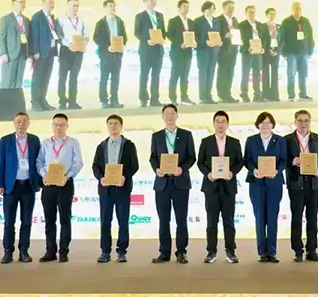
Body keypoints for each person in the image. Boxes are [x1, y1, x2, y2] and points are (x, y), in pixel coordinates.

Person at [149, 104, 196, 264]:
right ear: (163, 116)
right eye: (167, 114)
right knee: (163, 220)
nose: (170, 116)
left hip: (180, 183)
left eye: (172, 113)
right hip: (162, 184)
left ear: (177, 115)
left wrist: (181, 169)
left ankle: (181, 251)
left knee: (181, 219)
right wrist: (156, 169)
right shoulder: (156, 136)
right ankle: (164, 252)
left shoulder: (186, 135)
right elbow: (153, 157)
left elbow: (191, 157)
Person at [36, 113, 84, 263]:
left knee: (65, 219)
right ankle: (50, 251)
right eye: (56, 124)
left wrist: (67, 176)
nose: (58, 127)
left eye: (62, 125)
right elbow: (39, 161)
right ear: (52, 125)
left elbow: (78, 163)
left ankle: (64, 251)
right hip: (48, 185)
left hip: (65, 184)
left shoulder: (73, 143)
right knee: (49, 219)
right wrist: (43, 174)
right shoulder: (45, 143)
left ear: (67, 126)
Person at [196, 110, 243, 263]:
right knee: (211, 221)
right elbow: (200, 162)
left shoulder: (234, 142)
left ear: (227, 124)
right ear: (213, 124)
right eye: (218, 121)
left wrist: (232, 172)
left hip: (229, 187)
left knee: (229, 221)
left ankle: (231, 251)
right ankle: (211, 252)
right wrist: (208, 174)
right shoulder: (206, 141)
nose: (220, 124)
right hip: (211, 186)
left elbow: (240, 162)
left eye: (223, 122)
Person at [92, 114, 139, 263]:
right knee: (105, 221)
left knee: (123, 220)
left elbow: (134, 165)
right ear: (107, 126)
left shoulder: (129, 145)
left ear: (121, 126)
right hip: (106, 189)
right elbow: (95, 166)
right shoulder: (101, 146)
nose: (113, 126)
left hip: (122, 188)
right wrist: (101, 178)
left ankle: (122, 251)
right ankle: (105, 251)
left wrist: (124, 176)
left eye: (116, 123)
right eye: (110, 123)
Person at [0, 112, 41, 264]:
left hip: (28, 185)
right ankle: (8, 252)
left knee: (26, 221)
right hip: (11, 186)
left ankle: (24, 251)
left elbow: (39, 162)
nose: (21, 124)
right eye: (18, 122)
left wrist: (39, 182)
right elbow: (0, 163)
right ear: (14, 123)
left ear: (29, 123)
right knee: (9, 222)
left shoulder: (34, 140)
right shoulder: (5, 140)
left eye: (24, 122)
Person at [244, 111, 287, 263]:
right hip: (257, 183)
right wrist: (253, 170)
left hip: (274, 183)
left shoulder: (280, 140)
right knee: (260, 218)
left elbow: (284, 160)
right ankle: (262, 252)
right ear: (258, 125)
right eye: (262, 123)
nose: (265, 125)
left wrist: (277, 170)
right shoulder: (251, 140)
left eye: (268, 123)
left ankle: (272, 252)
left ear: (273, 125)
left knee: (272, 218)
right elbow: (247, 160)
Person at [285, 109, 318, 262]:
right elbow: (281, 159)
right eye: (300, 121)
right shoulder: (287, 140)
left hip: (314, 183)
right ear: (295, 122)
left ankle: (312, 250)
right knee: (296, 218)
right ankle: (297, 251)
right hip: (296, 183)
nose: (303, 123)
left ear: (310, 122)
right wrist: (291, 161)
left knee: (312, 217)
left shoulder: (317, 139)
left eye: (306, 120)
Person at [93, 0, 127, 109]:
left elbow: (124, 36)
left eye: (114, 6)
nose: (113, 8)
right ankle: (104, 100)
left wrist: (121, 45)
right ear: (105, 8)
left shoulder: (119, 21)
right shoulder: (101, 23)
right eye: (110, 6)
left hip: (117, 53)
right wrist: (107, 47)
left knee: (115, 78)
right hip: (106, 54)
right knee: (104, 78)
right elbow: (96, 38)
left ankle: (114, 100)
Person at [31, 0, 63, 111]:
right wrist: (35, 51)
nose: (52, 5)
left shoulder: (52, 17)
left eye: (53, 3)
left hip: (51, 52)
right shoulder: (37, 17)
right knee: (38, 78)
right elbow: (34, 35)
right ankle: (35, 102)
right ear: (43, 3)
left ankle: (43, 100)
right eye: (49, 2)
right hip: (41, 52)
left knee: (46, 78)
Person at [135, 0, 166, 107]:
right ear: (145, 2)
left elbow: (163, 31)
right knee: (144, 75)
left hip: (158, 50)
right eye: (150, 0)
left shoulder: (160, 16)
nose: (153, 2)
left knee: (156, 76)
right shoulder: (140, 16)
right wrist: (146, 40)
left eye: (154, 0)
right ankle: (143, 99)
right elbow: (137, 32)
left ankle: (155, 99)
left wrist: (162, 39)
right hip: (146, 50)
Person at [57, 0, 88, 110]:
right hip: (66, 50)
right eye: (74, 6)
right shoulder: (61, 20)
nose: (76, 8)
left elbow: (86, 35)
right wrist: (68, 44)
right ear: (68, 6)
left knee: (74, 77)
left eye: (77, 6)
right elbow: (58, 35)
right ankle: (62, 101)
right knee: (62, 77)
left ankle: (72, 101)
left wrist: (84, 44)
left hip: (78, 52)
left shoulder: (81, 20)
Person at [280, 2, 314, 101]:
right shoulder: (286, 22)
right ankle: (291, 95)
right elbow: (282, 37)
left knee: (303, 73)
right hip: (291, 52)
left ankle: (303, 94)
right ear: (292, 10)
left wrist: (310, 50)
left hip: (304, 52)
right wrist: (283, 52)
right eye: (296, 9)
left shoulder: (305, 21)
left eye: (299, 9)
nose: (298, 11)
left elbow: (310, 36)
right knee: (291, 74)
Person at [167, 0, 196, 105]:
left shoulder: (191, 22)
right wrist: (180, 43)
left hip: (188, 52)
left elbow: (194, 36)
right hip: (177, 52)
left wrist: (194, 42)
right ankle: (172, 97)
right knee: (175, 76)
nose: (186, 9)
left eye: (188, 7)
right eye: (184, 7)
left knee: (185, 76)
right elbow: (169, 35)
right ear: (179, 8)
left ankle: (184, 97)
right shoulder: (173, 21)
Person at [0, 0, 30, 89]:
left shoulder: (26, 20)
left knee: (18, 81)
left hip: (23, 53)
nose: (23, 4)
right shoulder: (6, 19)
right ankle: (4, 99)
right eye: (21, 2)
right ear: (14, 3)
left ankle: (16, 98)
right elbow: (2, 38)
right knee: (7, 80)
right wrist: (3, 53)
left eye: (24, 2)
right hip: (10, 54)